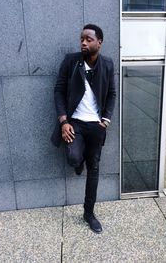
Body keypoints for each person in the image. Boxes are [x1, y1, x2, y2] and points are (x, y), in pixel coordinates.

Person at [51, 24, 116, 233]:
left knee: (94, 168)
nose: (83, 42)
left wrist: (105, 120)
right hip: (75, 123)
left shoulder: (107, 64)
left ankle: (89, 213)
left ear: (100, 42)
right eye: (82, 39)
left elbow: (112, 94)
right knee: (73, 158)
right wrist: (64, 121)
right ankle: (78, 162)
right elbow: (59, 90)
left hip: (96, 125)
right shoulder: (71, 61)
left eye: (89, 39)